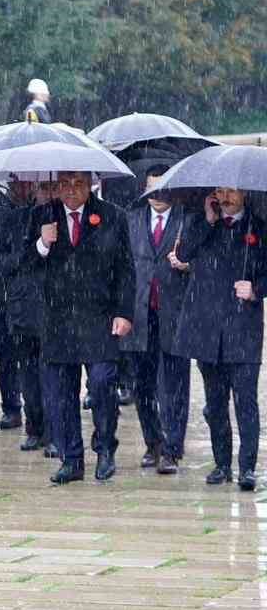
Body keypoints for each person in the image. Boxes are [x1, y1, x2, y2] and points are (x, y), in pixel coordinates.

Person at [30, 171, 135, 485]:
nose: (71, 190)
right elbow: (21, 265)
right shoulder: (42, 216)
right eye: (64, 184)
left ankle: (105, 448)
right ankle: (71, 459)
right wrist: (42, 244)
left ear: (91, 184)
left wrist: (124, 312)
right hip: (58, 320)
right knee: (61, 394)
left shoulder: (112, 216)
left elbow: (126, 269)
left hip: (99, 317)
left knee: (103, 383)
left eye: (77, 183)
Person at [173, 186, 264, 491]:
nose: (225, 198)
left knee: (245, 401)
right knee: (215, 402)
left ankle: (247, 467)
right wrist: (208, 221)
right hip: (207, 328)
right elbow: (182, 254)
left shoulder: (259, 227)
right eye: (220, 192)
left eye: (231, 192)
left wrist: (256, 289)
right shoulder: (201, 223)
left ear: (244, 194)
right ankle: (221, 463)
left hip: (243, 328)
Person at [127, 167, 191, 472]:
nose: (157, 196)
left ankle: (172, 448)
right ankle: (152, 442)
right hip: (139, 316)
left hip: (174, 314)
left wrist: (187, 264)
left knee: (175, 384)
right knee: (143, 384)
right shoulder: (133, 220)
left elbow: (201, 262)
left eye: (163, 189)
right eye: (152, 189)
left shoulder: (186, 220)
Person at [0, 180, 49, 451]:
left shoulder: (41, 212)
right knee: (4, 356)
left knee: (36, 365)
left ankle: (41, 420)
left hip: (31, 301)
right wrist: (12, 260)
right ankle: (11, 406)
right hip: (0, 298)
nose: (24, 187)